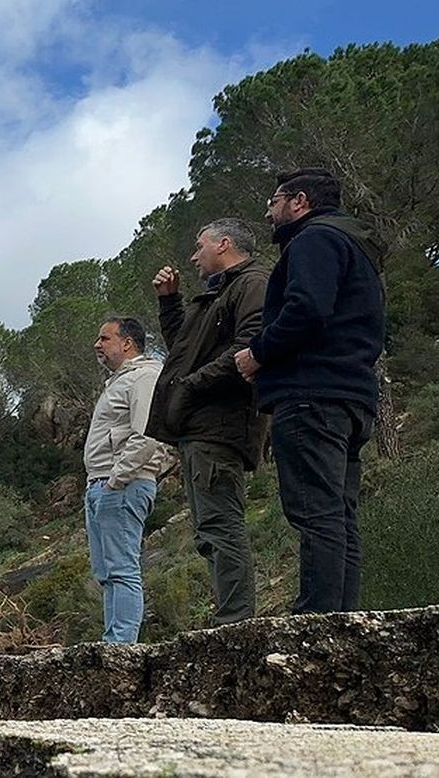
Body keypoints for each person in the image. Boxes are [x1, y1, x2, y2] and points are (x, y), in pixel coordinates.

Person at [234, 168, 384, 614]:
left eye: (274, 200)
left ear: (299, 201)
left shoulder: (314, 241)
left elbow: (307, 309)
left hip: (311, 394)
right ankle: (340, 616)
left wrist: (257, 353)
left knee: (316, 512)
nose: (268, 209)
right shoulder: (356, 248)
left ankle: (316, 619)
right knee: (339, 514)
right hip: (352, 396)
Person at [148, 219, 270, 626]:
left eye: (199, 246)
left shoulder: (252, 283)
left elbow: (249, 347)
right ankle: (230, 619)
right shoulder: (219, 293)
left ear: (223, 244)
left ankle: (235, 623)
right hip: (200, 428)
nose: (193, 256)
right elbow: (186, 347)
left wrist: (190, 386)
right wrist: (170, 302)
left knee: (220, 526)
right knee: (208, 532)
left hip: (220, 426)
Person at [85, 316, 170, 643]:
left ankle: (121, 646)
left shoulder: (144, 377)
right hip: (102, 484)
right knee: (107, 573)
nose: (97, 345)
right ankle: (115, 643)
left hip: (122, 484)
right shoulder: (120, 381)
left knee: (121, 569)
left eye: (104, 338)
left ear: (127, 343)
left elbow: (147, 435)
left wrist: (116, 479)